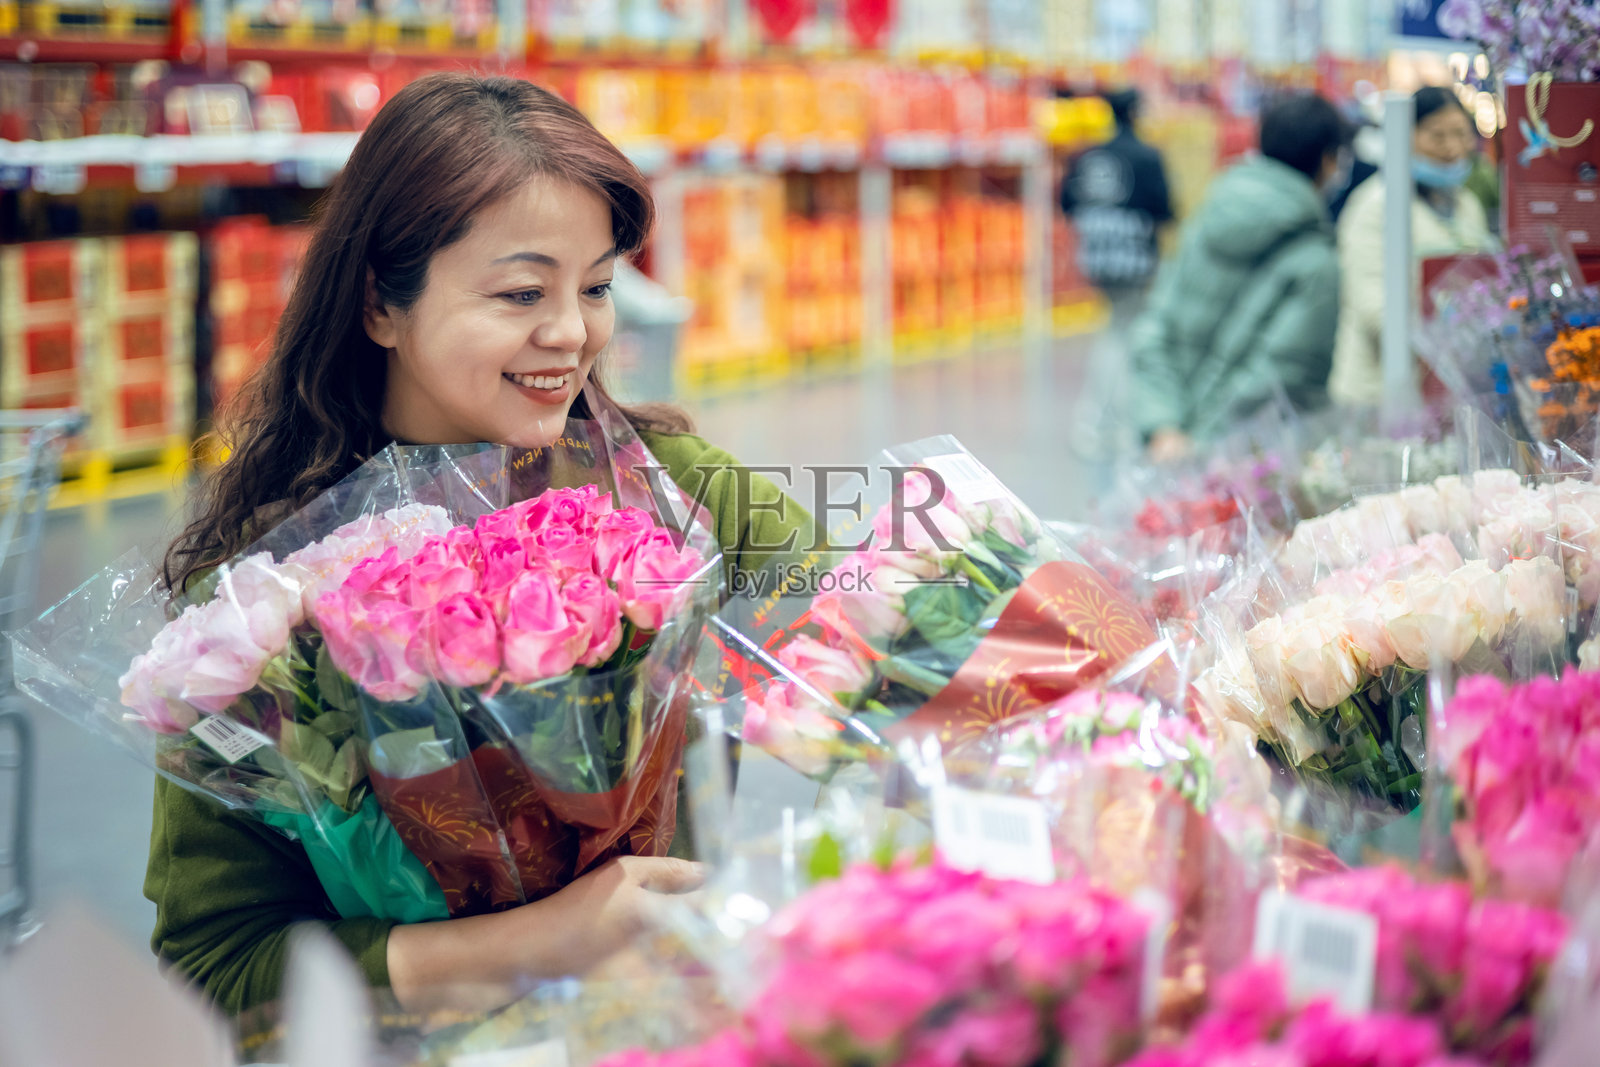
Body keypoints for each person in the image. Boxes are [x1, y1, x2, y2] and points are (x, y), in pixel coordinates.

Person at [148, 73, 812, 1016]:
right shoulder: (263, 601)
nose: (572, 331)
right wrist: (530, 944)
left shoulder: (683, 495)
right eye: (521, 292)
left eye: (597, 287)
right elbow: (217, 960)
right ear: (381, 303)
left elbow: (887, 643)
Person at [1129, 92, 1349, 461]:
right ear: (1328, 161)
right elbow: (1278, 375)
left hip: (1171, 449)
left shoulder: (1206, 218)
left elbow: (1157, 327)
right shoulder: (1318, 260)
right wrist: (1202, 448)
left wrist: (1164, 427)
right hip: (1250, 462)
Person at [1329, 86, 1497, 407]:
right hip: (1377, 393)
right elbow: (1373, 308)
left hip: (1446, 388)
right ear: (1405, 137)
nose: (1452, 147)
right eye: (1437, 136)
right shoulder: (1374, 206)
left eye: (1461, 135)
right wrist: (1448, 342)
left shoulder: (1467, 204)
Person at [1059, 88, 1174, 304]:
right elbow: (1164, 210)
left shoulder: (1086, 155)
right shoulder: (1147, 157)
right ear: (1135, 112)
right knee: (1129, 313)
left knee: (1108, 310)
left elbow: (1066, 203)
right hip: (1134, 257)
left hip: (1093, 257)